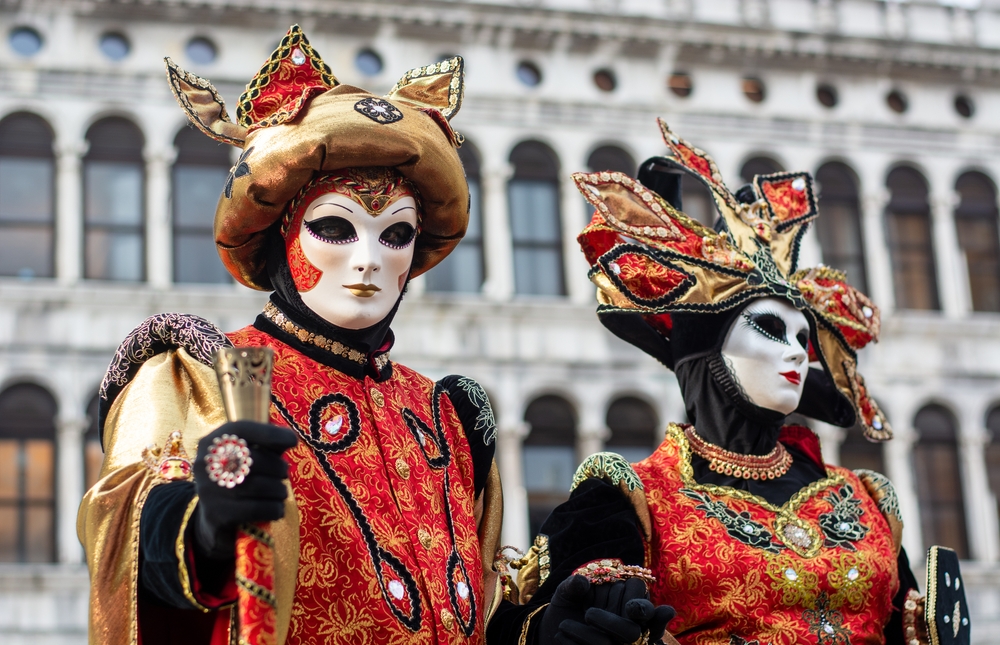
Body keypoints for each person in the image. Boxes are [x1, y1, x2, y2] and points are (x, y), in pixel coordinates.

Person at [78, 26, 504, 645]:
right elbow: (125, 527)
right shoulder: (204, 373)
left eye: (395, 236)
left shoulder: (450, 416)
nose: (369, 260)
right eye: (336, 228)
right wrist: (203, 531)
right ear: (282, 235)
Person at [490, 122, 967, 644]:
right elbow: (534, 624)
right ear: (705, 349)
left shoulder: (865, 498)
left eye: (804, 337)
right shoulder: (631, 499)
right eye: (769, 328)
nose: (795, 351)